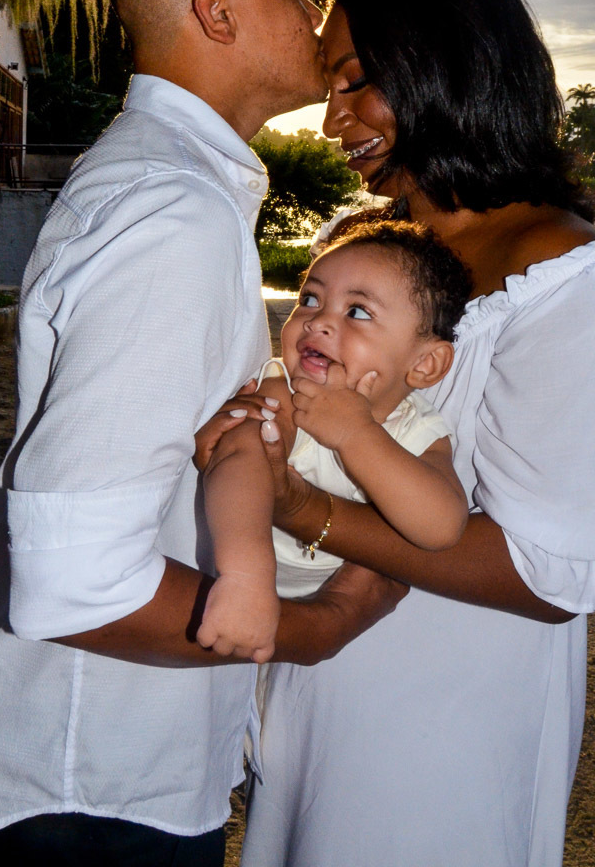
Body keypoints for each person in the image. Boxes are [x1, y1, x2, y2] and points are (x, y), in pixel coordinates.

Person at [0, 0, 404, 867]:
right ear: (216, 11)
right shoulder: (171, 213)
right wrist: (306, 627)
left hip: (78, 760)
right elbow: (75, 583)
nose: (315, 20)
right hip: (90, 785)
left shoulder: (167, 186)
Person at [240, 0, 595, 867]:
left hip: (444, 732)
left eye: (357, 80)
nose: (332, 121)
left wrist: (311, 512)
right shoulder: (364, 244)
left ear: (446, 64)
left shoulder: (563, 283)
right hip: (319, 691)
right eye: (330, 84)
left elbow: (544, 574)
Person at [195, 220, 470, 672]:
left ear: (425, 364)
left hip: (334, 612)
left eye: (357, 311)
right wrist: (245, 577)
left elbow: (440, 527)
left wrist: (356, 434)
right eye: (310, 299)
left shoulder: (419, 430)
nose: (318, 320)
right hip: (239, 586)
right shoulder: (282, 393)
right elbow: (242, 459)